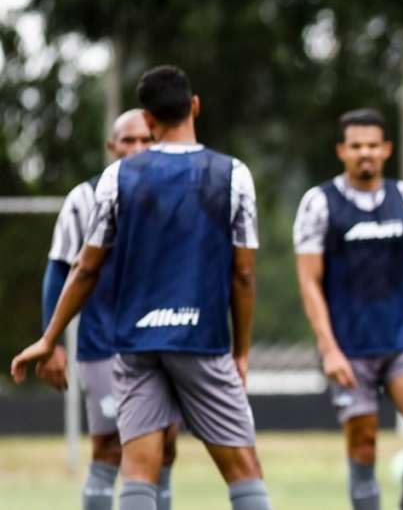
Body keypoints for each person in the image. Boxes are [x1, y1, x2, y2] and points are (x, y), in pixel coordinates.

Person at [11, 65, 271, 510]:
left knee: (138, 472)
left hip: (134, 346)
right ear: (195, 106)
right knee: (243, 472)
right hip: (201, 341)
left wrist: (49, 338)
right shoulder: (232, 175)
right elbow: (243, 274)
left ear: (148, 121)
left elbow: (85, 268)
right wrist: (241, 350)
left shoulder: (115, 179)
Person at [294, 108, 403, 510]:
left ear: (387, 149)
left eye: (373, 145)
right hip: (349, 348)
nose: (365, 153)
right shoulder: (319, 204)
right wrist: (328, 348)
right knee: (363, 447)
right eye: (356, 146)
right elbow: (309, 282)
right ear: (341, 150)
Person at [37, 109, 177, 510]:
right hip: (105, 343)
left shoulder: (176, 195)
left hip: (164, 343)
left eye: (145, 140)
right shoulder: (83, 199)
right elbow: (59, 268)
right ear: (111, 146)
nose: (136, 148)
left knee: (163, 449)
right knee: (111, 447)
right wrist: (51, 341)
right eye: (127, 140)